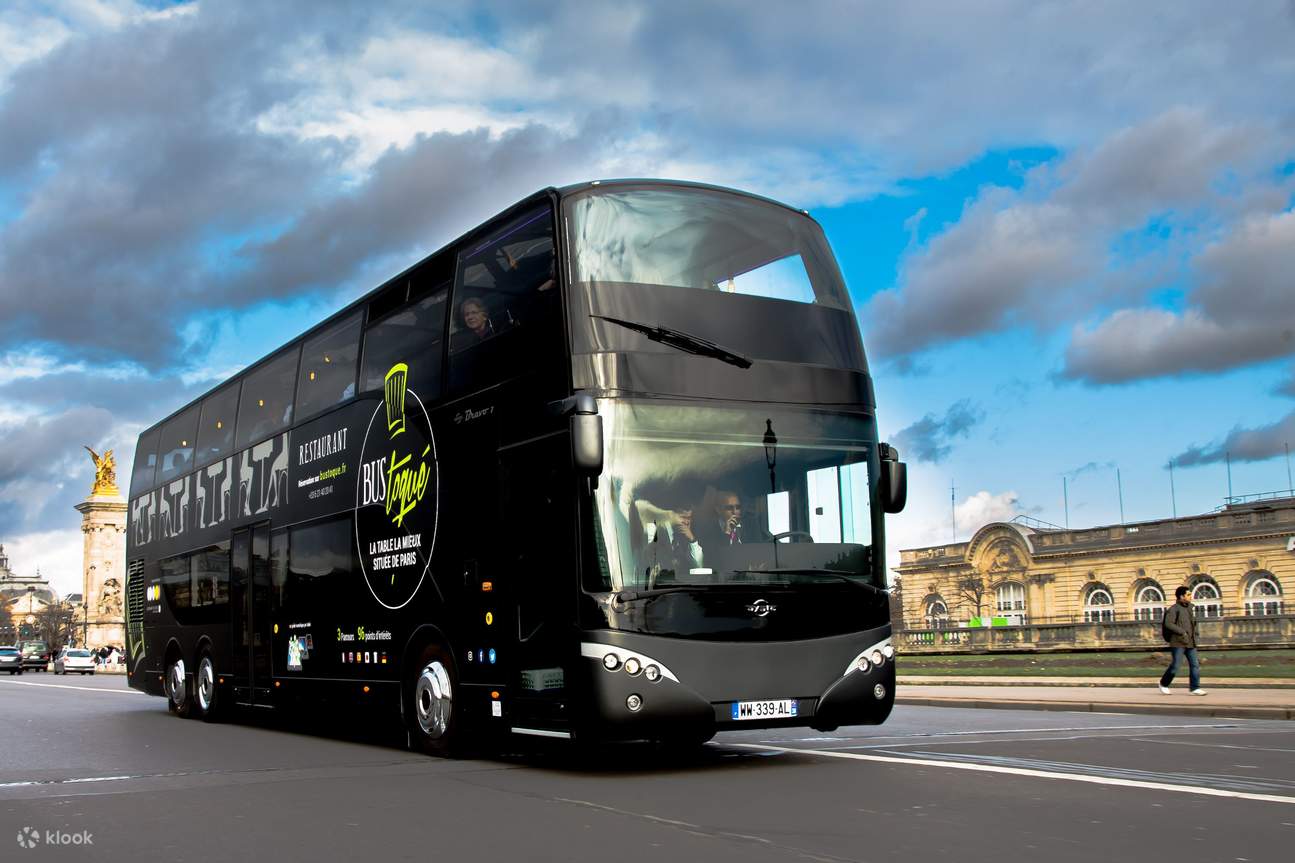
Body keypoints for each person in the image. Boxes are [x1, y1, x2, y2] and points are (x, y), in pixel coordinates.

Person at [1159, 585, 1207, 695]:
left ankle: (1194, 688)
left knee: (1195, 665)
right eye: (1188, 594)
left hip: (1190, 642)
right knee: (1176, 665)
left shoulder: (1190, 608)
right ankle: (1164, 684)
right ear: (1181, 596)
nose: (1191, 596)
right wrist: (1182, 632)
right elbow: (1168, 624)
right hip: (1178, 642)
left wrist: (1194, 633)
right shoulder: (1173, 609)